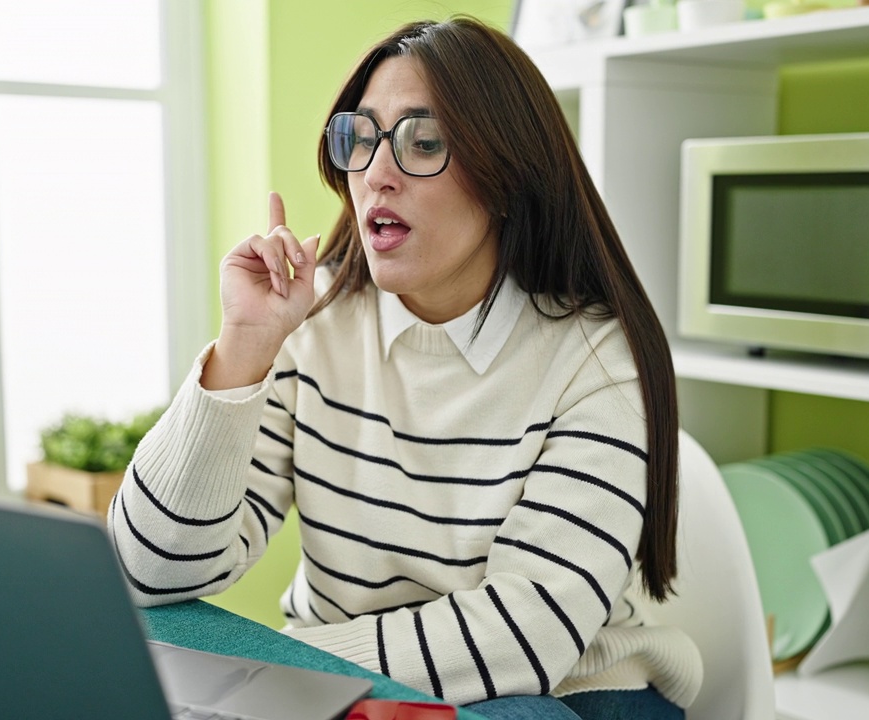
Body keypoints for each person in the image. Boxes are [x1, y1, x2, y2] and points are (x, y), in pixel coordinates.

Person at [109, 16, 701, 720]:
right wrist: (243, 347)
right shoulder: (313, 319)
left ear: (506, 177)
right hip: (352, 681)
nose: (378, 174)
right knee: (138, 636)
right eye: (360, 139)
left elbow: (523, 638)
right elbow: (148, 572)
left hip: (567, 692)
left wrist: (289, 672)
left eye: (424, 143)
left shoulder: (594, 358)